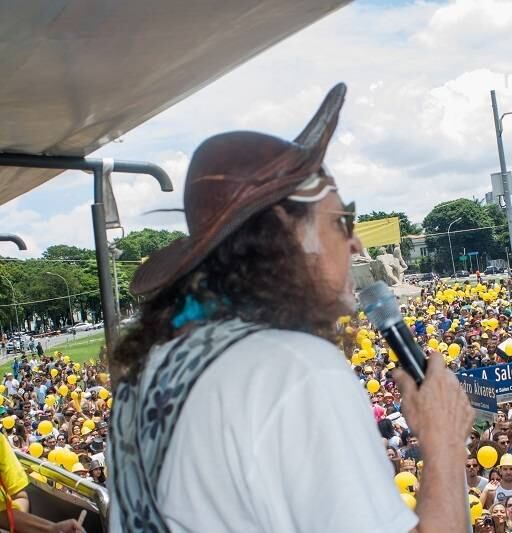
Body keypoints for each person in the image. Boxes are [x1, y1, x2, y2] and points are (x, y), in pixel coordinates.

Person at [108, 84, 473, 532]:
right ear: (287, 232)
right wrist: (443, 443)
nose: (355, 241)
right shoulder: (294, 369)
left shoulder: (148, 371)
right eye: (342, 222)